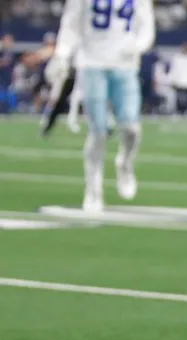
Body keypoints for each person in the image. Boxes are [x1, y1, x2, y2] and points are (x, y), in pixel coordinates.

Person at [46, 0, 155, 212]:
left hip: (125, 63)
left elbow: (146, 26)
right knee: (98, 131)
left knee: (132, 128)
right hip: (91, 62)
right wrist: (61, 54)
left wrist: (137, 46)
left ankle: (125, 162)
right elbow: (71, 23)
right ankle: (93, 189)